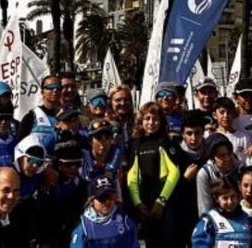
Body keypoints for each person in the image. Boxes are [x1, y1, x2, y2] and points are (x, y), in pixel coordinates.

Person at [126, 103, 180, 248]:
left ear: (161, 121)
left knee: (166, 242)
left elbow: (175, 172)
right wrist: (137, 203)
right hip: (144, 202)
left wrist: (161, 201)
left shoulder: (166, 142)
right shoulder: (136, 144)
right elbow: (131, 175)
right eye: (147, 118)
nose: (151, 123)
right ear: (141, 121)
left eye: (155, 119)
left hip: (164, 201)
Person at [71, 176, 138, 248]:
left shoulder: (126, 223)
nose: (107, 202)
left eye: (110, 197)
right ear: (91, 201)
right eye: (102, 197)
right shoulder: (84, 227)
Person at [170, 110, 206, 245]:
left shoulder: (208, 153)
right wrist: (184, 179)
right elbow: (169, 190)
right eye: (189, 133)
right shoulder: (174, 154)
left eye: (197, 133)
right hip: (180, 215)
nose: (193, 138)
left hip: (202, 213)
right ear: (182, 134)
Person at [46, 138, 89, 246]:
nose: (73, 168)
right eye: (68, 165)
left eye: (77, 164)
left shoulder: (83, 186)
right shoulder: (45, 185)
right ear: (58, 164)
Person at [190, 178, 252, 248]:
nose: (230, 202)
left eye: (233, 196)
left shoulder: (247, 220)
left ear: (238, 196)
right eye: (225, 198)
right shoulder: (209, 221)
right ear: (217, 199)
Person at [197, 134, 239, 216]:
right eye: (222, 156)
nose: (227, 159)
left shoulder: (240, 167)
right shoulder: (205, 174)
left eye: (229, 153)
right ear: (212, 158)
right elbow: (205, 208)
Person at [82, 119, 125, 199]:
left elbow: (118, 197)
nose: (103, 142)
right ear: (90, 141)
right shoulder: (82, 161)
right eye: (99, 138)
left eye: (107, 137)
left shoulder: (115, 163)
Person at [20, 75, 63, 150]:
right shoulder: (31, 116)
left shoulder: (66, 116)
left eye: (58, 88)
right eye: (50, 87)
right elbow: (20, 145)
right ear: (42, 91)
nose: (55, 90)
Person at [12, 134, 52, 200]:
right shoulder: (5, 175)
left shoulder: (40, 178)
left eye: (39, 162)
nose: (35, 165)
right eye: (32, 160)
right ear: (20, 157)